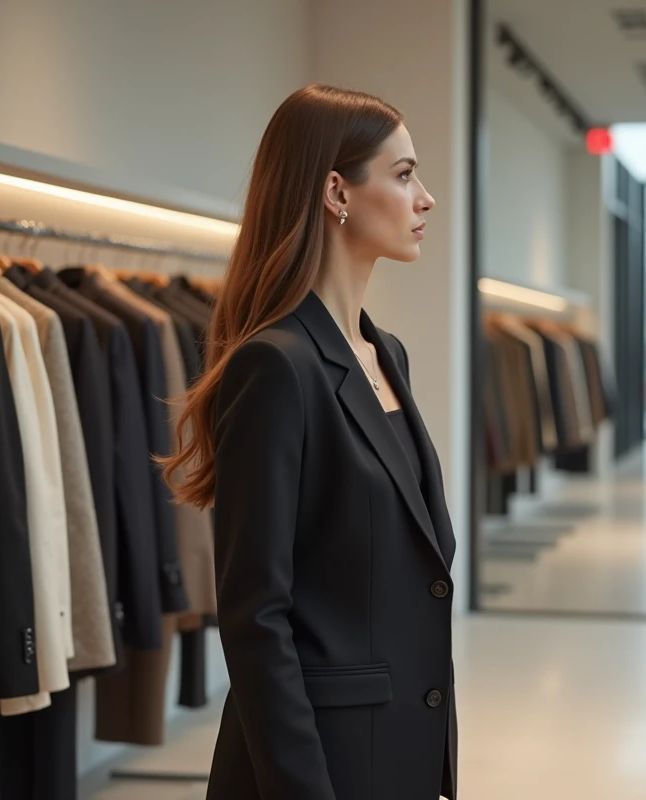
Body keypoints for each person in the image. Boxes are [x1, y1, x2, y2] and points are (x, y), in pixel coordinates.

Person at [161, 85, 457, 800]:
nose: (427, 200)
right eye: (405, 173)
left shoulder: (387, 354)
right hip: (319, 765)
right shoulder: (277, 366)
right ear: (336, 191)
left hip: (404, 749)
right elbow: (256, 616)